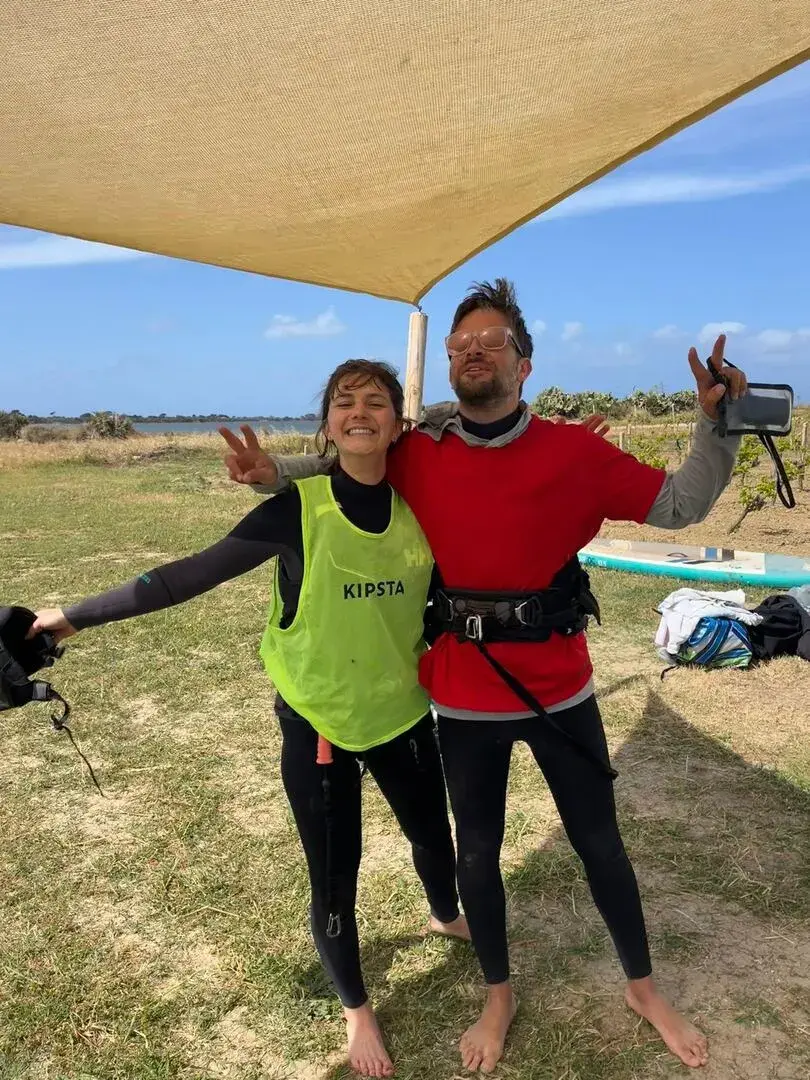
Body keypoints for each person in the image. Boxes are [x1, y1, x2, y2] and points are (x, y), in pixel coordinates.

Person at [221, 280, 747, 1074]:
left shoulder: (577, 451)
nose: (471, 353)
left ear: (523, 364)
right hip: (463, 695)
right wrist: (274, 474)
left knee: (599, 842)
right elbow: (350, 456)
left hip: (558, 686)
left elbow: (679, 506)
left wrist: (717, 423)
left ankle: (643, 986)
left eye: (489, 342)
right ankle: (496, 991)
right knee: (477, 853)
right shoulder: (418, 451)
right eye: (459, 345)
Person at [29, 360, 471, 1080]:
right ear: (328, 422)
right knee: (335, 874)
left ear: (399, 421)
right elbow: (181, 577)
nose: (359, 412)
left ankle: (446, 914)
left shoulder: (421, 505)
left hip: (399, 710)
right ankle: (357, 1009)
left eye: (376, 402)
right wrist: (66, 620)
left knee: (432, 832)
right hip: (318, 719)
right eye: (343, 402)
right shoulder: (300, 508)